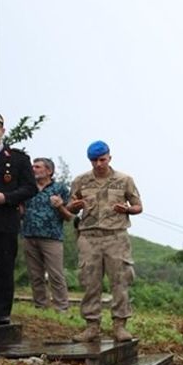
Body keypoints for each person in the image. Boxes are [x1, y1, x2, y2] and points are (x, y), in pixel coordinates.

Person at [65, 140, 143, 342]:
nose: (98, 164)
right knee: (90, 282)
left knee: (120, 281)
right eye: (94, 160)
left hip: (116, 236)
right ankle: (91, 326)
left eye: (102, 159)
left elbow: (138, 206)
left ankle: (120, 325)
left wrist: (127, 209)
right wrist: (75, 205)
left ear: (109, 157)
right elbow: (70, 208)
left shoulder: (124, 180)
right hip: (89, 237)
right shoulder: (81, 181)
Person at [0, 113, 39, 325]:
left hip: (4, 221)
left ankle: (1, 312)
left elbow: (31, 187)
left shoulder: (17, 158)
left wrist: (7, 197)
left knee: (3, 267)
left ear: (2, 131)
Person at [19, 157, 72, 312]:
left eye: (37, 167)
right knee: (35, 275)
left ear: (49, 171)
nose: (33, 169)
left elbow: (69, 216)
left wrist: (60, 206)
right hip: (29, 236)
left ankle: (61, 308)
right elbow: (21, 210)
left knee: (56, 275)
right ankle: (40, 306)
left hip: (52, 238)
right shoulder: (28, 188)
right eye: (32, 167)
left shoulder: (60, 188)